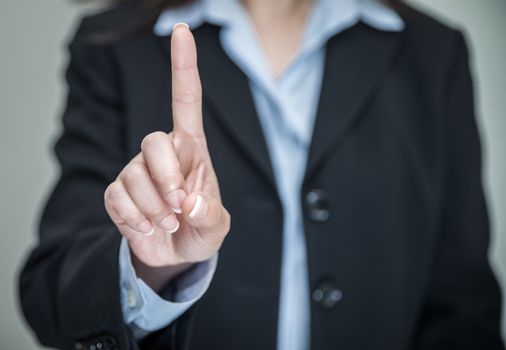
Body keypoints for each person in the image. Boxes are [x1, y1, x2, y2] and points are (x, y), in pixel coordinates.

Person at [19, 0, 504, 349]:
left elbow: (463, 304)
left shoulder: (432, 53)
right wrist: (152, 268)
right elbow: (51, 300)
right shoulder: (113, 46)